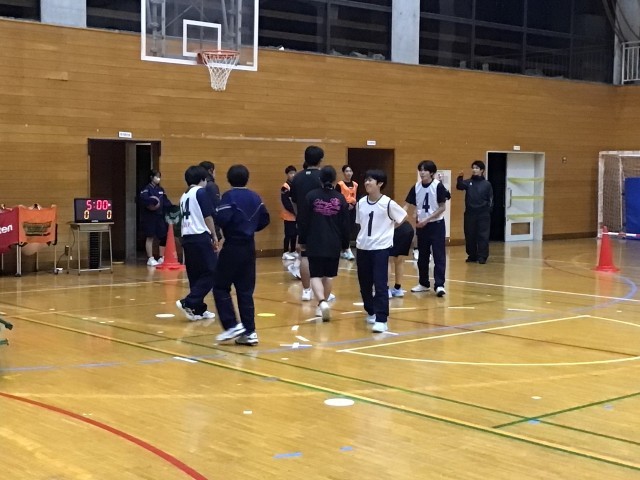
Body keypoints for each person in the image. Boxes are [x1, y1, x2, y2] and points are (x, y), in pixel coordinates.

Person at [213, 164, 270, 346]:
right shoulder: (255, 197)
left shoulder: (229, 197)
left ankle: (231, 325)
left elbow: (222, 219)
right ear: (247, 178)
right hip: (249, 248)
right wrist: (250, 228)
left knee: (220, 286)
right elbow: (265, 219)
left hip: (232, 246)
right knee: (245, 291)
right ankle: (250, 331)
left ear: (229, 179)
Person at [355, 169, 407, 333]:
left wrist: (389, 229)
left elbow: (403, 217)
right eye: (366, 180)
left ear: (380, 183)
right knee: (364, 284)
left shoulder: (388, 203)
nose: (367, 183)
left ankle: (382, 319)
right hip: (363, 248)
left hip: (380, 249)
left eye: (370, 180)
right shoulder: (361, 203)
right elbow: (360, 223)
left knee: (380, 284)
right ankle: (371, 311)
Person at [300, 166, 350, 321]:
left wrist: (302, 240)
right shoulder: (340, 198)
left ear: (319, 179)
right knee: (328, 276)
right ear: (335, 180)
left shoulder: (311, 196)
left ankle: (321, 302)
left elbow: (304, 221)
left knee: (315, 275)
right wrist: (345, 244)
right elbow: (345, 224)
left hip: (314, 241)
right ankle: (321, 307)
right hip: (334, 242)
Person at [175, 165, 218, 321]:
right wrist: (214, 235)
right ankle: (189, 301)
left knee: (195, 274)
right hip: (200, 236)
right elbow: (208, 216)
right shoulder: (200, 192)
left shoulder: (184, 196)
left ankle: (197, 309)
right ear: (202, 179)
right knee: (214, 271)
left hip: (187, 238)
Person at [404, 160, 450, 297]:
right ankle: (423, 283)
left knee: (438, 255)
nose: (422, 172)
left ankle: (439, 285)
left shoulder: (438, 186)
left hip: (436, 225)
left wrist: (427, 219)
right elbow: (407, 205)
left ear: (432, 173)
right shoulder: (416, 187)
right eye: (420, 170)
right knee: (422, 256)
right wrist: (399, 215)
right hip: (421, 226)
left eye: (425, 170)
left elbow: (442, 207)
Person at [289, 145, 324, 301]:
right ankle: (321, 291)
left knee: (305, 255)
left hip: (303, 221)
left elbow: (293, 200)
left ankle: (306, 291)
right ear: (320, 159)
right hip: (321, 222)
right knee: (321, 256)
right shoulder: (322, 176)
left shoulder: (297, 177)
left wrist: (299, 216)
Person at [456, 160, 493, 264]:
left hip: (483, 214)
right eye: (473, 168)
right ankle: (472, 255)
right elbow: (459, 186)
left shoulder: (487, 184)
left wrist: (488, 210)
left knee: (483, 235)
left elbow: (490, 199)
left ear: (482, 170)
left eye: (477, 168)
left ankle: (482, 256)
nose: (474, 170)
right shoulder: (468, 182)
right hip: (470, 213)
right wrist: (460, 177)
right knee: (470, 235)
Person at [139, 169, 173, 266]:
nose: (158, 178)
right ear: (151, 177)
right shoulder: (146, 189)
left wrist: (172, 207)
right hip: (150, 217)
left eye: (159, 176)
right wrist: (153, 203)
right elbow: (144, 200)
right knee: (150, 236)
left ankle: (162, 257)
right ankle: (150, 258)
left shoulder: (161, 189)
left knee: (163, 235)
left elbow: (166, 201)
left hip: (160, 216)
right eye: (156, 176)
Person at [336, 164, 358, 260]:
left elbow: (357, 196)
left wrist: (353, 205)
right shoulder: (340, 184)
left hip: (352, 209)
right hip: (343, 209)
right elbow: (336, 198)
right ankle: (347, 249)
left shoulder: (355, 184)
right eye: (347, 171)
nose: (349, 173)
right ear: (343, 173)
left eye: (350, 171)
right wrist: (346, 205)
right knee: (344, 229)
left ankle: (345, 249)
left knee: (350, 229)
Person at [388, 220, 414, 298]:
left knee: (387, 260)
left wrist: (392, 228)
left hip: (395, 229)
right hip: (407, 229)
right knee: (399, 260)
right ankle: (398, 288)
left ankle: (386, 289)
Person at [199, 161, 223, 241]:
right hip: (211, 225)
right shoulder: (211, 186)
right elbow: (216, 207)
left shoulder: (198, 185)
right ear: (210, 170)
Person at [280, 165, 298, 260]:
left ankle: (293, 250)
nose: (293, 175)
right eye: (291, 173)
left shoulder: (296, 185)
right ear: (287, 174)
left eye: (294, 173)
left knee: (295, 233)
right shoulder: (285, 187)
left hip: (296, 215)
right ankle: (285, 252)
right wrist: (294, 211)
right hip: (288, 215)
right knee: (288, 234)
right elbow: (286, 202)